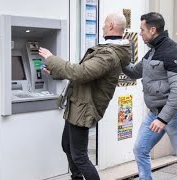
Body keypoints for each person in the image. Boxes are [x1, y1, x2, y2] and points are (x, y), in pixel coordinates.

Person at [38, 12, 131, 180]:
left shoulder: (108, 54)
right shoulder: (107, 50)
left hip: (84, 108)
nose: (102, 26)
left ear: (110, 26)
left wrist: (52, 59)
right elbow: (84, 76)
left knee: (79, 156)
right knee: (67, 145)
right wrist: (55, 71)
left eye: (104, 23)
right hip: (77, 103)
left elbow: (80, 73)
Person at [122, 12, 177, 180]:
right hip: (155, 114)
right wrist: (118, 58)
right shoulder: (152, 52)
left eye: (142, 29)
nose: (140, 33)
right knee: (141, 149)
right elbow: (133, 72)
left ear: (153, 30)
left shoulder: (173, 52)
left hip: (174, 115)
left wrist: (162, 119)